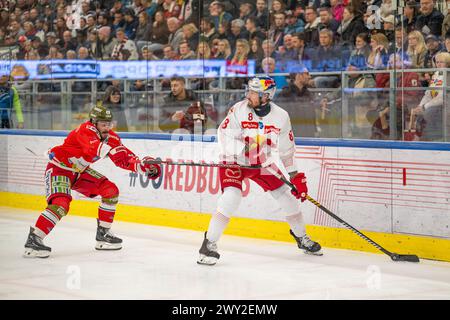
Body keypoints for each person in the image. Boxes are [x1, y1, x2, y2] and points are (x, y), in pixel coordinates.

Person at [197, 76, 322, 266]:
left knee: (287, 197)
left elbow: (287, 149)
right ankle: (208, 244)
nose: (249, 95)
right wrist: (245, 151)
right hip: (235, 161)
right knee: (231, 197)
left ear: (266, 96)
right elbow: (223, 134)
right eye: (249, 90)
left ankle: (302, 237)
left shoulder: (281, 116)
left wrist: (295, 175)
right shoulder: (238, 109)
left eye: (254, 93)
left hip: (261, 164)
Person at [23, 102, 161, 258]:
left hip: (79, 172)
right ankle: (34, 239)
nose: (107, 127)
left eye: (109, 123)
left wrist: (145, 166)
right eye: (103, 124)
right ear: (94, 123)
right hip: (59, 169)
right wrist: (113, 151)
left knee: (110, 191)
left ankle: (103, 234)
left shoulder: (111, 137)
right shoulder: (85, 130)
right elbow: (94, 148)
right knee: (61, 204)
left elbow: (125, 159)